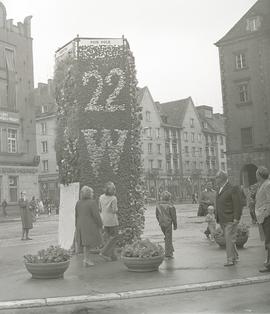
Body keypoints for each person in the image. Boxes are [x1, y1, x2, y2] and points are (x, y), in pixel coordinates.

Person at [215, 171, 242, 266]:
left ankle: (230, 260)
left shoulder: (232, 188)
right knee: (229, 239)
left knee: (229, 239)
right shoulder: (220, 188)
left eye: (216, 177)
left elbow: (238, 204)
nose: (215, 179)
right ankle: (235, 257)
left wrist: (236, 218)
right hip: (222, 218)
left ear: (221, 178)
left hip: (230, 218)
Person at [75, 186, 103, 267]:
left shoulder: (78, 202)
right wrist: (100, 224)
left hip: (80, 224)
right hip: (89, 225)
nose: (93, 194)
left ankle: (86, 259)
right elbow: (96, 215)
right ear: (88, 193)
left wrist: (76, 225)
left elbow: (76, 215)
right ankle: (86, 259)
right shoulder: (92, 202)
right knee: (87, 243)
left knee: (85, 243)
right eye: (92, 192)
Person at [254, 166, 270, 273]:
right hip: (263, 217)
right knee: (267, 241)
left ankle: (269, 265)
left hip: (267, 217)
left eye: (256, 174)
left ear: (260, 175)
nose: (255, 176)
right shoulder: (262, 185)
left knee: (269, 241)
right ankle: (268, 261)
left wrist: (264, 214)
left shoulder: (267, 185)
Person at [99, 182, 119, 261]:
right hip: (112, 220)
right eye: (113, 188)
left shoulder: (101, 197)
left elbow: (100, 208)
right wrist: (117, 209)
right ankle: (104, 252)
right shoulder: (114, 198)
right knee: (114, 237)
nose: (114, 189)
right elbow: (114, 210)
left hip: (104, 219)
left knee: (108, 238)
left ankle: (113, 256)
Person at [156, 191, 177, 259]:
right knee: (168, 238)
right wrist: (175, 224)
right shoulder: (171, 206)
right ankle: (168, 254)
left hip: (161, 223)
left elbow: (157, 215)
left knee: (167, 237)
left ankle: (170, 249)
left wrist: (159, 221)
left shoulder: (158, 205)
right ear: (169, 198)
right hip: (168, 223)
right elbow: (174, 216)